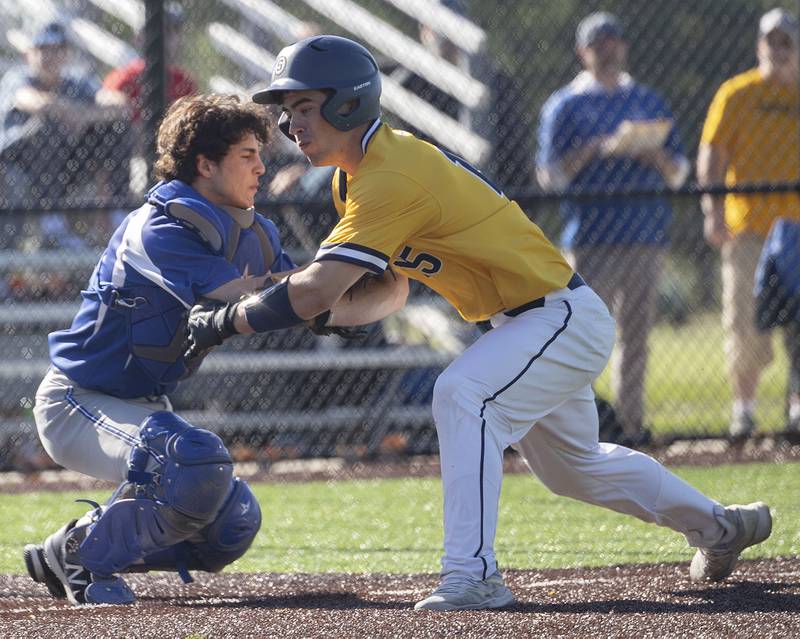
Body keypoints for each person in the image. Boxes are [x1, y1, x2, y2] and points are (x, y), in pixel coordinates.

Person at [185, 35, 773, 612]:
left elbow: (314, 289)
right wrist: (318, 312)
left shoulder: (391, 173)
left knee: (463, 394)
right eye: (289, 112)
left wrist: (228, 321)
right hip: (529, 324)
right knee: (574, 470)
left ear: (349, 102)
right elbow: (391, 289)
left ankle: (474, 577)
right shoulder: (354, 177)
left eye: (305, 108)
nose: (291, 126)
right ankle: (721, 526)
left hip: (557, 317)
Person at [22, 94, 289, 606]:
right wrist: (333, 282)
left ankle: (74, 544)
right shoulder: (161, 225)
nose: (261, 165)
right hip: (78, 401)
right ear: (205, 164)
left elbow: (300, 293)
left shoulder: (254, 232)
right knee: (192, 461)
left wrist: (372, 280)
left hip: (144, 406)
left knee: (230, 525)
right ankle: (84, 561)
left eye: (260, 153)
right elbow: (259, 293)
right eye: (246, 154)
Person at [536, 12, 690, 446]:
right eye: (599, 44)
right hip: (591, 238)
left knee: (636, 340)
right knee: (580, 338)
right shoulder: (566, 104)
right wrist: (593, 151)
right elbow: (549, 177)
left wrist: (650, 155)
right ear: (583, 52)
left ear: (624, 46)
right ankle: (576, 429)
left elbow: (678, 173)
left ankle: (630, 427)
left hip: (645, 235)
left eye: (614, 41)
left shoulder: (648, 100)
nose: (609, 49)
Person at [698, 8, 800, 440]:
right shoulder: (736, 94)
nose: (777, 50)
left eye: (786, 43)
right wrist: (713, 212)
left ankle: (797, 412)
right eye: (770, 42)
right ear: (759, 46)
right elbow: (712, 157)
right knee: (745, 323)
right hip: (749, 229)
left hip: (797, 230)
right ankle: (744, 411)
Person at [0, 21, 131, 243]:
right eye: (43, 49)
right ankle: (50, 218)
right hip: (17, 164)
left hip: (65, 166)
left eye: (57, 49)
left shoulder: (76, 82)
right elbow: (33, 102)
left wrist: (82, 116)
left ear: (67, 54)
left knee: (117, 127)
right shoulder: (17, 77)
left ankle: (118, 210)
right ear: (29, 54)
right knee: (48, 123)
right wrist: (71, 112)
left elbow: (119, 104)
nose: (50, 56)